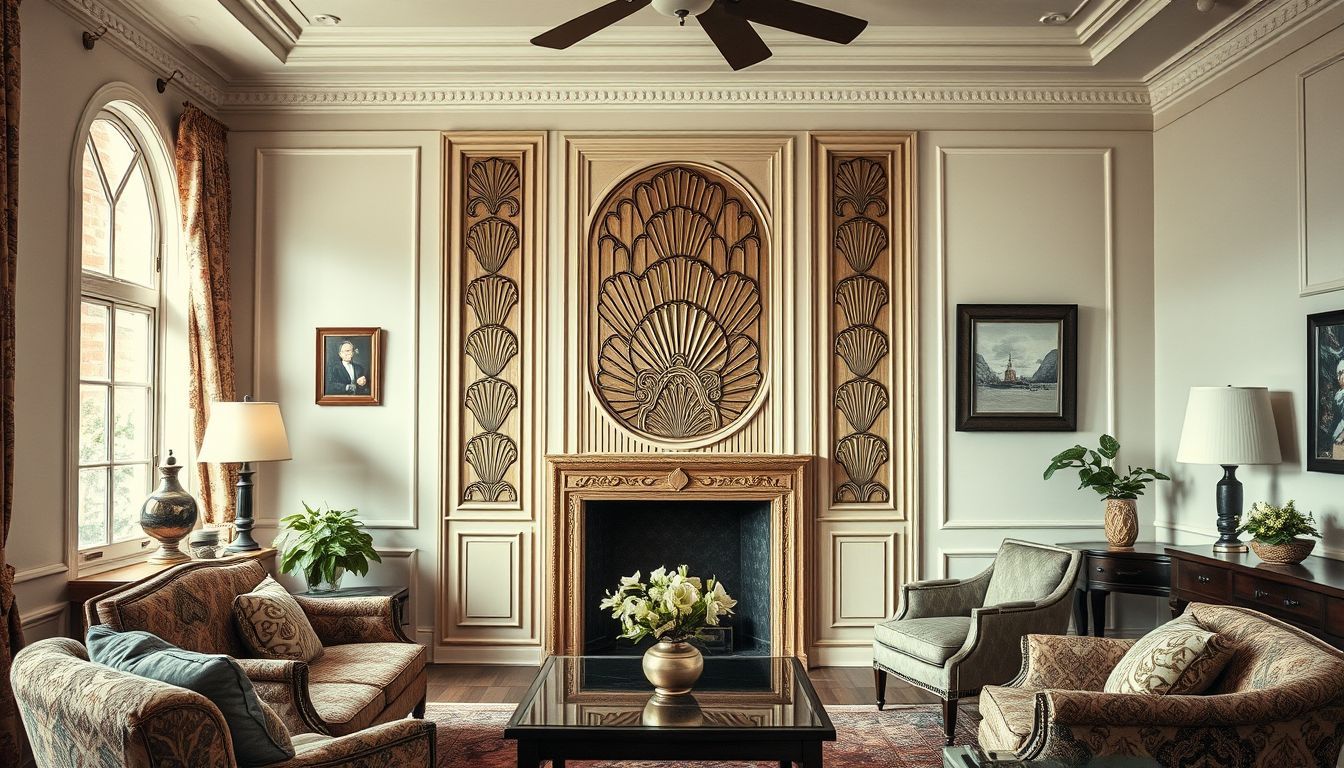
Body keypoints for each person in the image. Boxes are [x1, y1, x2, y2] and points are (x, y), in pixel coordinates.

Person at [1334, 358, 1344, 459]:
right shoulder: (1340, 394)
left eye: (1342, 372)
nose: (1339, 377)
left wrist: (1341, 437)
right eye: (1338, 373)